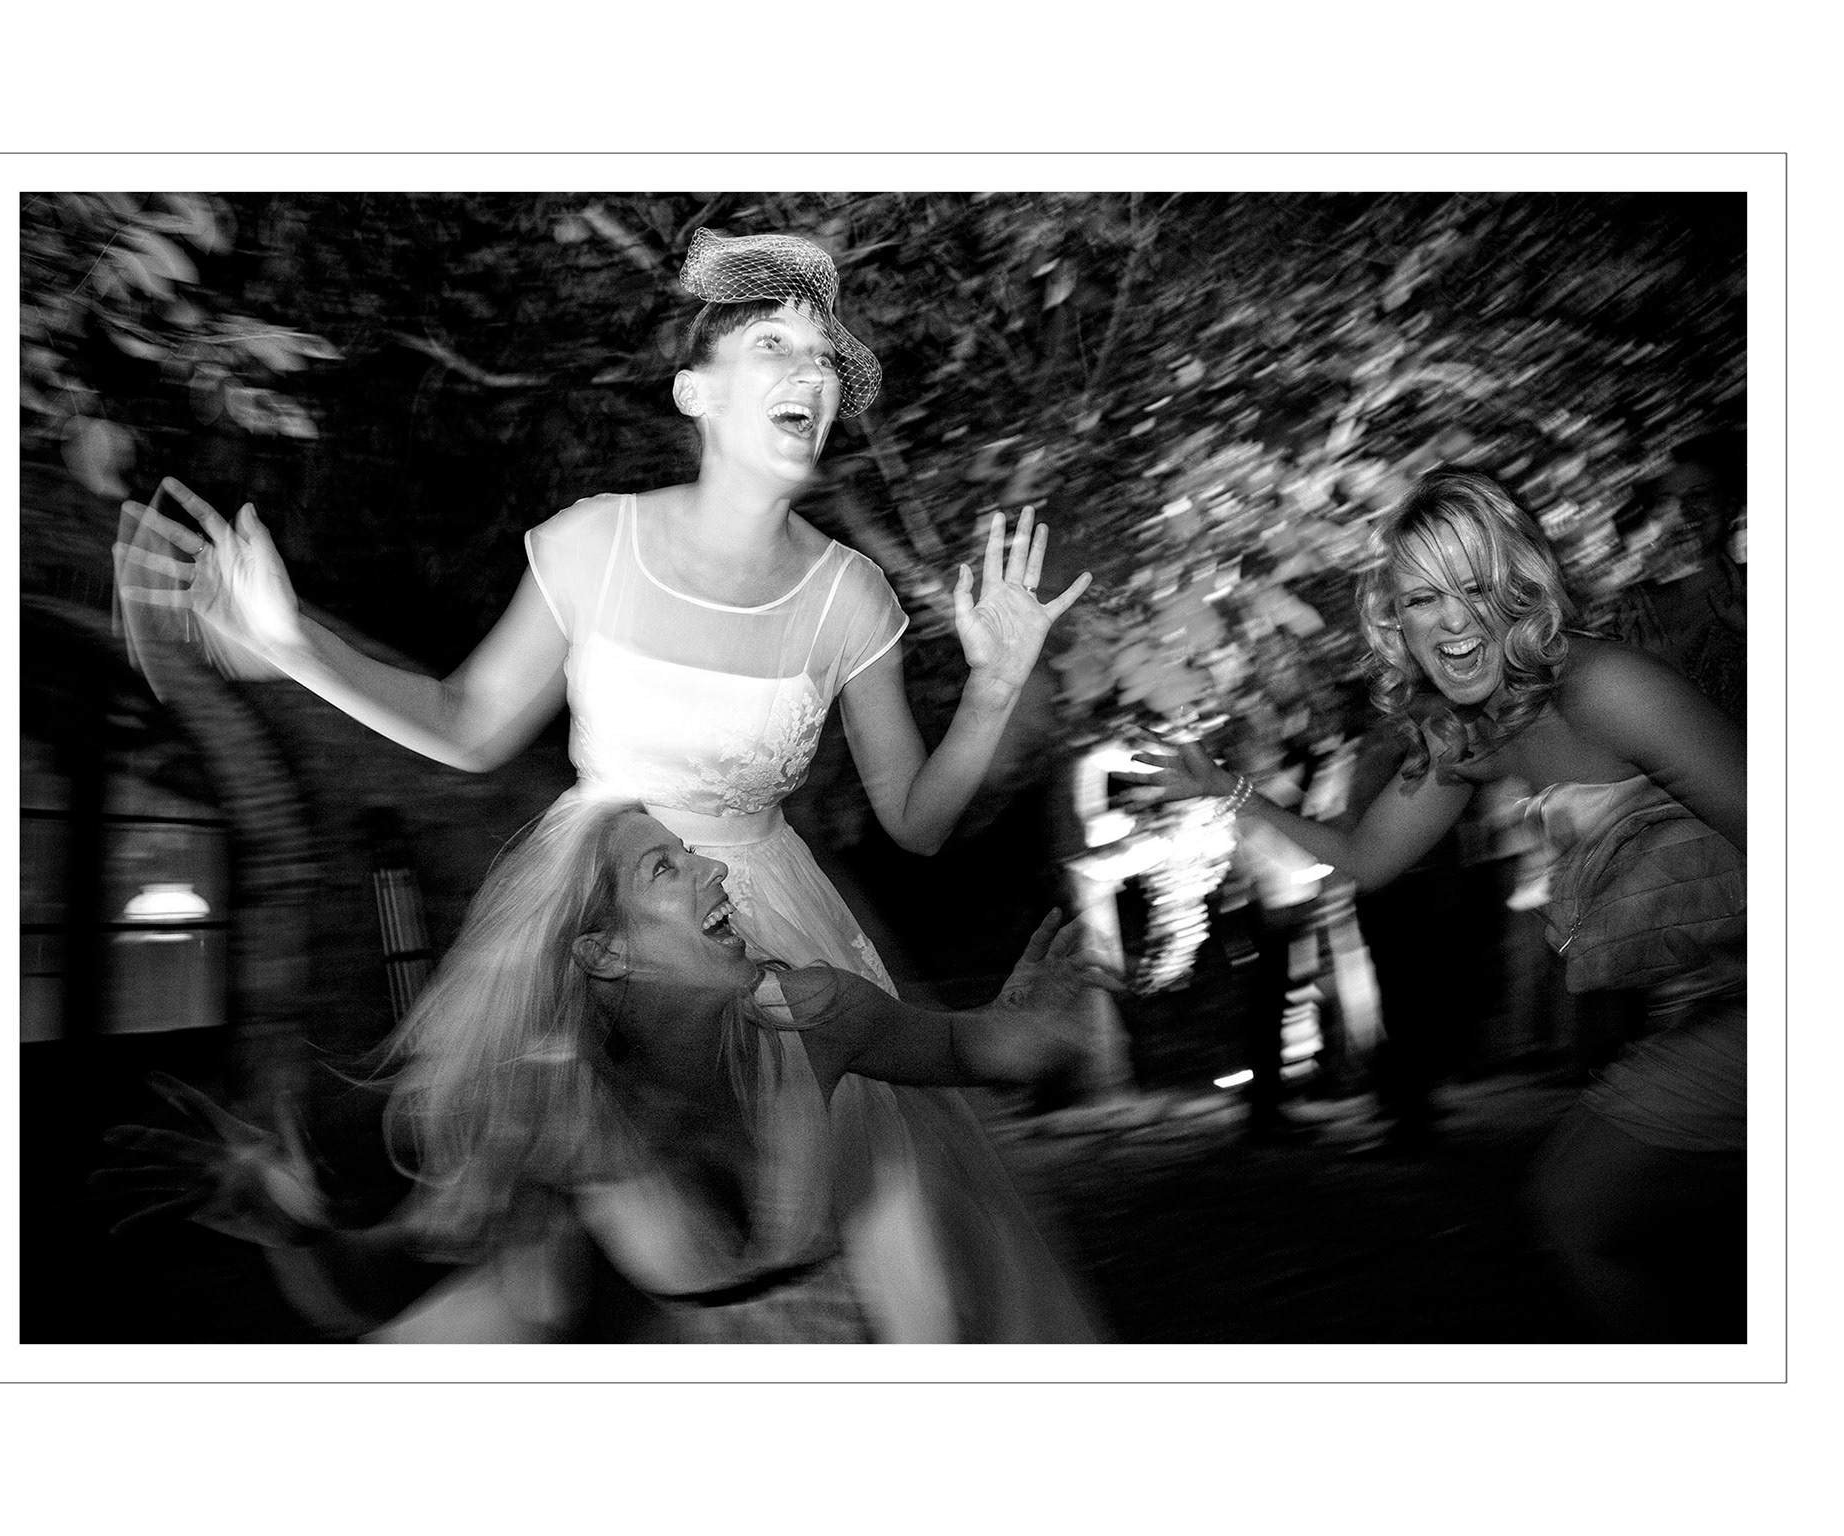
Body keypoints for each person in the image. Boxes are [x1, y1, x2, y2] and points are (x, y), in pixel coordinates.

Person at [113, 228, 1095, 1341]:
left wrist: (994, 687)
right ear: (695, 391)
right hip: (604, 904)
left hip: (768, 922)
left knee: (870, 1241)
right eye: (775, 346)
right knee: (561, 1214)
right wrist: (295, 644)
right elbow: (468, 725)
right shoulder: (596, 544)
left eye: (825, 358)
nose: (813, 373)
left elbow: (915, 823)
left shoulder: (851, 596)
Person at [102, 796, 1120, 1342]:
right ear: (604, 951)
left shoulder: (819, 1018)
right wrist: (296, 1229)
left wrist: (1025, 1027)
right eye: (667, 867)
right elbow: (390, 1278)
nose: (716, 868)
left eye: (692, 852)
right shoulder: (554, 1104)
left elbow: (963, 1049)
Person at [1147, 466, 1746, 1341]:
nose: (1454, 621)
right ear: (1396, 619)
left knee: (1584, 1210)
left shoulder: (1608, 687)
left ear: (1522, 589)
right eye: (1424, 598)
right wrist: (1232, 792)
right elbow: (1367, 858)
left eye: (1476, 588)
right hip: (1703, 1011)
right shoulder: (1469, 731)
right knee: (1606, 1220)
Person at [1606, 430, 1746, 724]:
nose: (1683, 510)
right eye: (1666, 501)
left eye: (1699, 495)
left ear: (1729, 505)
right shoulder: (1631, 609)